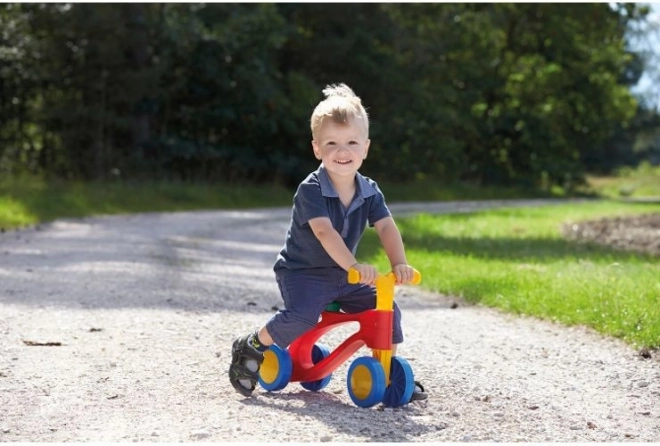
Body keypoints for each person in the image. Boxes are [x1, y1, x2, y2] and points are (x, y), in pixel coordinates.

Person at [228, 83, 427, 402]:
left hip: (344, 276)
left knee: (386, 309)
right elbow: (324, 232)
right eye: (331, 143)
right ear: (317, 149)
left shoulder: (370, 191)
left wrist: (399, 263)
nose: (342, 151)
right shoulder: (311, 189)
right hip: (303, 272)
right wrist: (354, 264)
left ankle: (387, 370)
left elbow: (386, 227)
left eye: (351, 142)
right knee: (303, 316)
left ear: (366, 148)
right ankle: (253, 344)